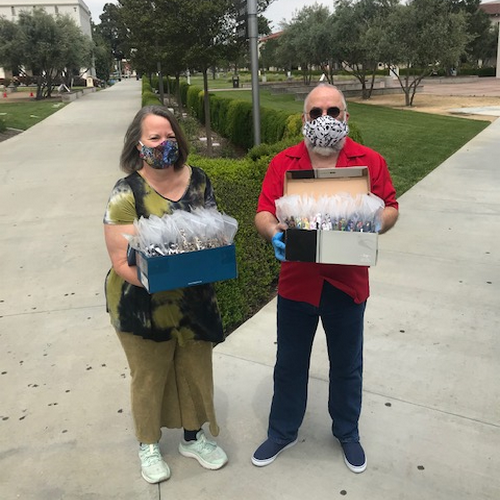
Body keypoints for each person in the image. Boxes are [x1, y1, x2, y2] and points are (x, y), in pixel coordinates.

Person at [252, 84, 399, 473]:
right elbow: (264, 212)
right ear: (305, 119)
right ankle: (282, 431)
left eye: (333, 111)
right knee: (289, 362)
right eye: (315, 112)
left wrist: (373, 221)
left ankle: (347, 431)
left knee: (347, 364)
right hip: (298, 282)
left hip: (347, 283)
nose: (324, 119)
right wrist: (274, 234)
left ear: (345, 117)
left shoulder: (369, 163)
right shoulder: (284, 163)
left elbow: (391, 208)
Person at [103, 105, 228, 484]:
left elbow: (214, 232)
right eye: (155, 137)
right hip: (142, 306)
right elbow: (121, 261)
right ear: (138, 145)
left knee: (194, 368)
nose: (164, 144)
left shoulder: (199, 180)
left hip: (194, 301)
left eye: (170, 136)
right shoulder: (126, 192)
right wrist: (164, 273)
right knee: (150, 375)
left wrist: (207, 260)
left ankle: (193, 436)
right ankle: (149, 443)